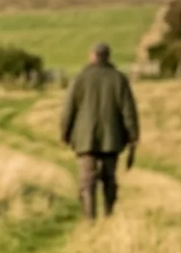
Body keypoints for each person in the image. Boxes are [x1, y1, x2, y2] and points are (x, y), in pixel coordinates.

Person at [58, 42, 140, 219]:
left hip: (84, 139)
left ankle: (90, 218)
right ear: (108, 56)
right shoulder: (119, 79)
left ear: (92, 56)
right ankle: (109, 214)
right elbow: (128, 111)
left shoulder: (80, 78)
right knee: (109, 178)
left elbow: (68, 109)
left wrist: (64, 133)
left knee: (87, 180)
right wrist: (133, 135)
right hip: (112, 138)